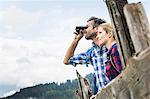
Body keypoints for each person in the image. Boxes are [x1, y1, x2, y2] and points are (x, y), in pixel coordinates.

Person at [63, 16, 110, 96]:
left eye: (87, 27)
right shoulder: (91, 53)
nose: (84, 30)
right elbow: (67, 60)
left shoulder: (111, 45)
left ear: (97, 29)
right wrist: (76, 40)